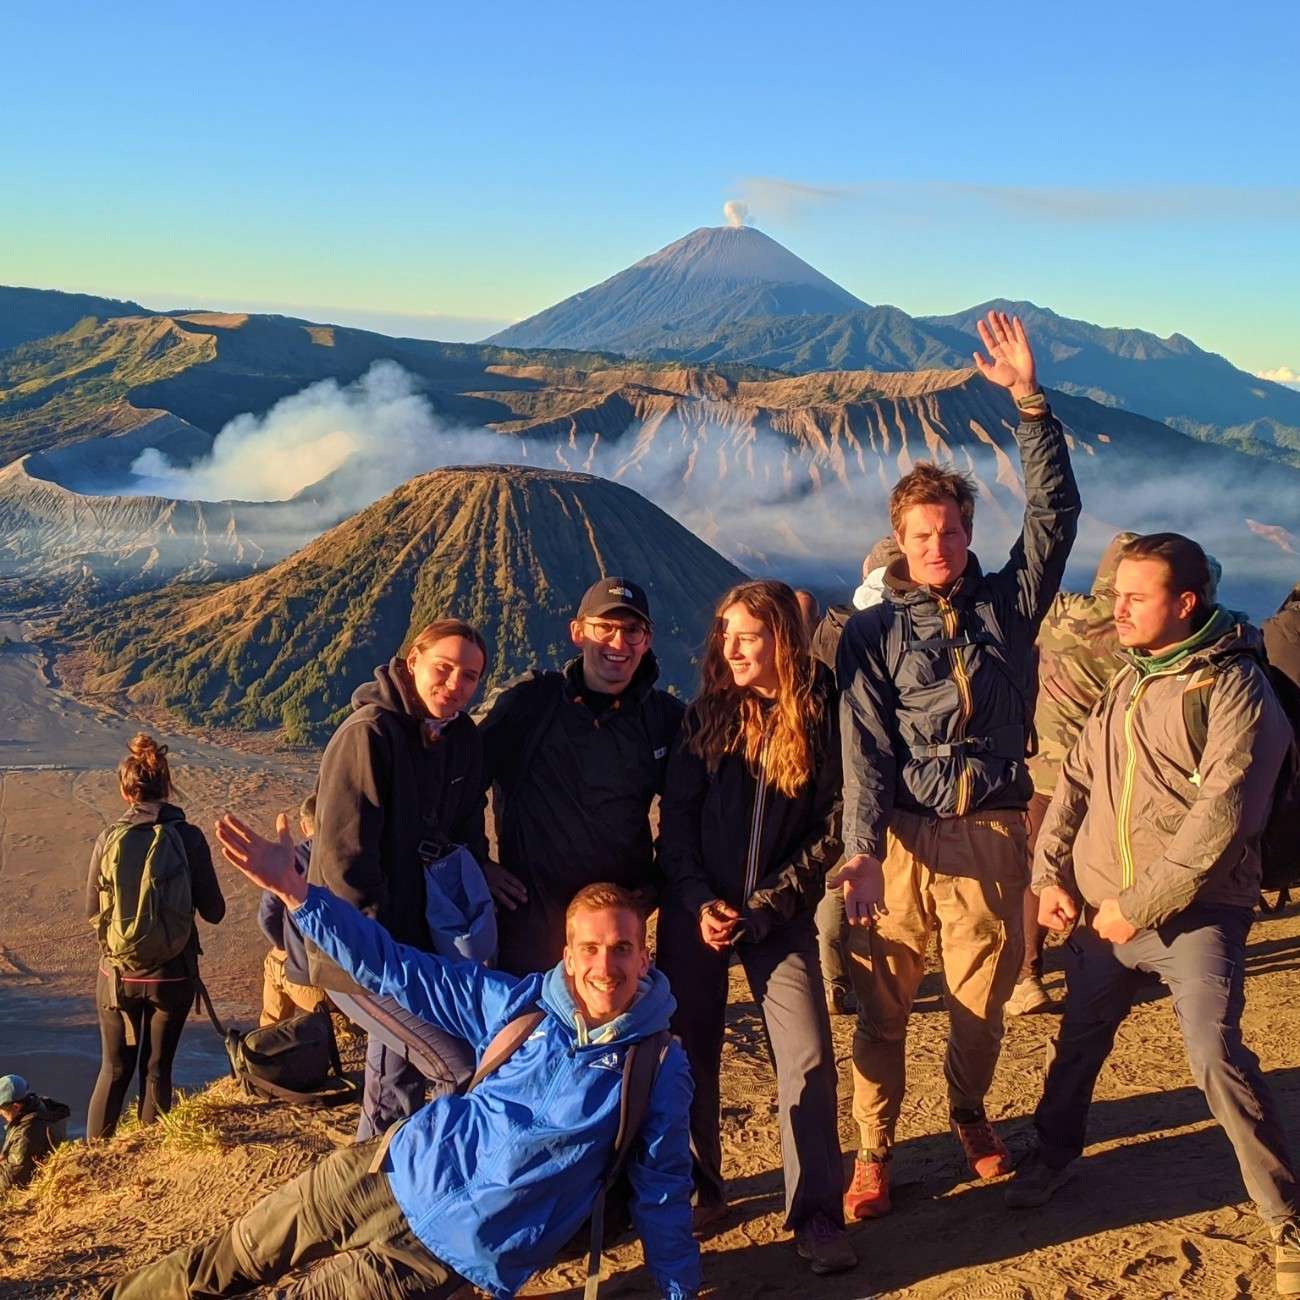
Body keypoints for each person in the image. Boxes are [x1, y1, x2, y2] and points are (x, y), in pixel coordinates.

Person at [102, 814, 700, 1300]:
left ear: (644, 958)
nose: (605, 966)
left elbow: (663, 1188)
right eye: (590, 948)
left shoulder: (656, 1065)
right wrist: (298, 895)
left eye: (622, 949)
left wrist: (679, 1291)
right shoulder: (518, 1007)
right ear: (567, 956)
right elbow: (395, 968)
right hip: (383, 1170)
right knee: (229, 1256)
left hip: (438, 1254)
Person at [835, 310, 1080, 1220]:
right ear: (899, 540)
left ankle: (970, 1116)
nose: (936, 546)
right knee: (882, 1009)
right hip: (901, 835)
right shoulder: (869, 633)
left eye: (949, 531)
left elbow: (1055, 516)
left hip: (988, 829)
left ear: (967, 532)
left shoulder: (1008, 607)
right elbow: (861, 747)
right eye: (920, 534)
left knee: (982, 1005)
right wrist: (861, 846)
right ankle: (873, 1151)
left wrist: (1028, 401)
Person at [1010, 532, 1300, 1297]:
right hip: (1105, 912)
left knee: (1214, 1054)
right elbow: (1074, 780)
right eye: (1118, 595)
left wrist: (1135, 909)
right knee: (1078, 1042)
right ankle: (1053, 1152)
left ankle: (1284, 1215)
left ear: (1185, 603)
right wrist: (1050, 876)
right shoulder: (1132, 680)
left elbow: (1225, 816)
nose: (1119, 610)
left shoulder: (1234, 689)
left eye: (1136, 597)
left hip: (1197, 916)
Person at [658, 580, 854, 1276]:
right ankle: (700, 1189)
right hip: (698, 915)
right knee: (686, 1057)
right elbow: (676, 824)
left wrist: (770, 903)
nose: (731, 647)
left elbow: (834, 823)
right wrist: (696, 900)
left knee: (804, 1057)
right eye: (725, 634)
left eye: (748, 634)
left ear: (782, 640)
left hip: (780, 915)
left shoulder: (825, 711)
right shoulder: (707, 716)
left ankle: (817, 1214)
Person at [305, 619, 490, 1140]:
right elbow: (346, 862)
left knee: (394, 1080)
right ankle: (432, 1174)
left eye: (470, 676)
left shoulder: (461, 738)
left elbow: (465, 824)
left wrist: (480, 880)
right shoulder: (368, 736)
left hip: (415, 945)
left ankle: (373, 1182)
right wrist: (380, 955)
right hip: (358, 952)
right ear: (413, 663)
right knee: (455, 1064)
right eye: (444, 668)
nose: (455, 685)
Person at [477, 577, 685, 975]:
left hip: (615, 933)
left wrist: (658, 883)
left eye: (631, 631)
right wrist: (477, 860)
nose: (618, 643)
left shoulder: (664, 718)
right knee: (532, 1031)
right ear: (578, 632)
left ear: (647, 639)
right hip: (533, 923)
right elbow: (460, 778)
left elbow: (688, 809)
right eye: (604, 627)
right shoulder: (530, 704)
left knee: (613, 1032)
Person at [1007, 530, 1138, 1016]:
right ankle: (1095, 966)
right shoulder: (1137, 632)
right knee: (1099, 869)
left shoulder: (1064, 611)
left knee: (1042, 873)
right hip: (1109, 775)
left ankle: (1028, 976)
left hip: (1045, 770)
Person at [86, 734, 226, 1139]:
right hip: (173, 976)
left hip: (117, 978)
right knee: (157, 1069)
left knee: (113, 1069)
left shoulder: (107, 838)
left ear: (125, 790)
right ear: (167, 786)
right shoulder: (189, 837)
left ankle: (91, 1160)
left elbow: (91, 912)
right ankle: (145, 1158)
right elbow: (215, 912)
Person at [811, 535, 901, 1017]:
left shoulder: (834, 626)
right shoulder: (883, 629)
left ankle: (839, 977)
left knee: (841, 874)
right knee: (849, 873)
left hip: (838, 776)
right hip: (862, 776)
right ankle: (848, 977)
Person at [258, 793, 328, 1025]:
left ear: (303, 825)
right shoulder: (356, 854)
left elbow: (267, 916)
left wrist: (285, 944)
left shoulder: (294, 858)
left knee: (275, 960)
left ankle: (269, 1039)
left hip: (309, 985)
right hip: (354, 985)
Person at [0, 1073, 69, 1192]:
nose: (1, 1113)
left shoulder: (26, 1134)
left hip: (23, 1182)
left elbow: (11, 1182)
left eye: (2, 1110)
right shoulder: (41, 1106)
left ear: (16, 1107)